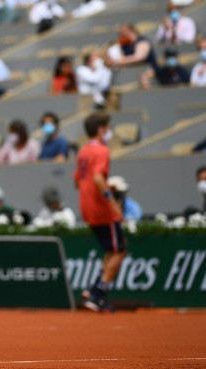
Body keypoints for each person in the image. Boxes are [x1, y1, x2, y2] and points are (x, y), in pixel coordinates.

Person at [74, 112, 126, 313]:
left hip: (87, 207)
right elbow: (97, 178)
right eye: (106, 127)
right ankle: (98, 294)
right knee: (120, 250)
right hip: (101, 208)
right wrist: (112, 202)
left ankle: (95, 288)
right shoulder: (102, 151)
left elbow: (78, 180)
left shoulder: (83, 152)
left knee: (112, 250)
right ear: (101, 129)